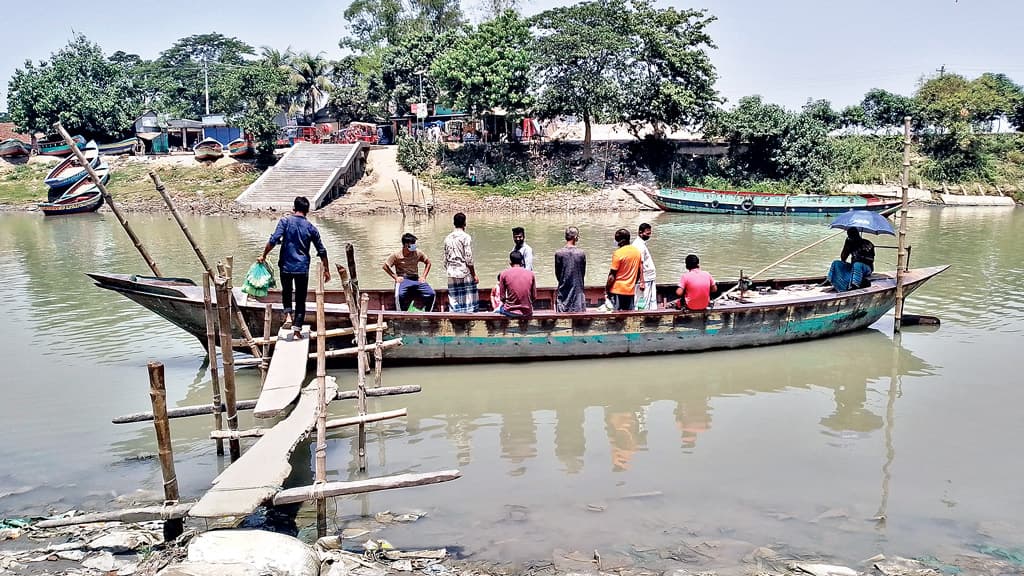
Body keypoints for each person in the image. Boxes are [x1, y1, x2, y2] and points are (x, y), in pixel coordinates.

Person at [258, 196, 330, 338]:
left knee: (286, 291)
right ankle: (297, 330)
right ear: (307, 211)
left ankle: (288, 316)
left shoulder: (285, 222)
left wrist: (264, 255)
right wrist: (326, 269)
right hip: (302, 267)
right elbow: (322, 250)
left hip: (285, 265)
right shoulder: (311, 228)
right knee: (301, 297)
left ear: (293, 209)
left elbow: (273, 240)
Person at [382, 232, 434, 311]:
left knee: (431, 294)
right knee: (399, 295)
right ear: (405, 245)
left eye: (414, 245)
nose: (414, 247)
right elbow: (385, 266)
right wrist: (395, 277)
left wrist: (423, 276)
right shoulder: (396, 255)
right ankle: (400, 315)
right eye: (411, 245)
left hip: (416, 279)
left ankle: (428, 314)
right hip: (403, 279)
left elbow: (428, 263)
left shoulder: (417, 253)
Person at [443, 212, 479, 312]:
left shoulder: (447, 238)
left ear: (454, 223)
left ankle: (455, 319)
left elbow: (445, 260)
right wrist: (474, 274)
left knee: (454, 298)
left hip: (451, 271)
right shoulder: (465, 237)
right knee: (468, 299)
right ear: (464, 223)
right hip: (464, 271)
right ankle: (467, 319)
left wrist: (450, 269)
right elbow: (469, 259)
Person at [605, 228, 643, 311]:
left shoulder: (618, 253)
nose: (616, 242)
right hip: (630, 291)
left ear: (621, 240)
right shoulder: (637, 252)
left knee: (617, 316)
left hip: (617, 290)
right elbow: (639, 273)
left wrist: (607, 290)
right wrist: (632, 284)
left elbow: (612, 276)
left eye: (616, 240)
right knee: (628, 315)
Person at [554, 226, 587, 312]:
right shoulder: (581, 253)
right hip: (578, 292)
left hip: (563, 290)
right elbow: (582, 273)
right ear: (575, 237)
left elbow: (558, 274)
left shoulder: (559, 253)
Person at [496, 251, 537, 317]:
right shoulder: (531, 274)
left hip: (510, 311)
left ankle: (503, 327)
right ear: (522, 262)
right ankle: (524, 327)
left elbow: (502, 298)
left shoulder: (503, 274)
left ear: (510, 262)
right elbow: (534, 297)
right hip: (527, 311)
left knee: (498, 309)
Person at [632, 223, 657, 310]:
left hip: (648, 278)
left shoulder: (641, 243)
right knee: (643, 302)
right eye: (647, 233)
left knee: (646, 300)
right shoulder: (639, 245)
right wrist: (642, 281)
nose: (649, 235)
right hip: (645, 279)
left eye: (650, 233)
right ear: (640, 232)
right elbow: (640, 263)